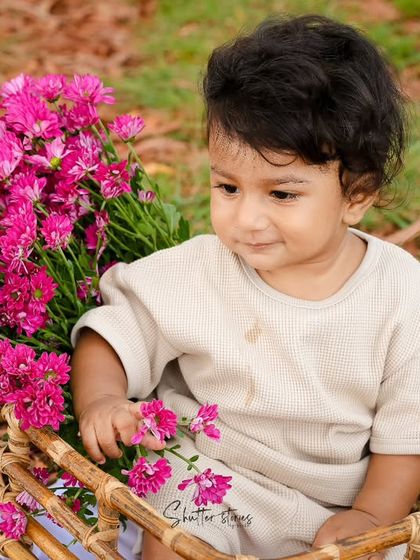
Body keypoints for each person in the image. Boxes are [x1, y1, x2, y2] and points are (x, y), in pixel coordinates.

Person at [70, 14, 420, 560]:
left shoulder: (401, 296)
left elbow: (407, 437)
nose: (246, 219)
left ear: (357, 194)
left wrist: (373, 514)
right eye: (228, 187)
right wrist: (103, 398)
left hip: (333, 508)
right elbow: (114, 332)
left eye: (281, 195)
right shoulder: (200, 270)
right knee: (177, 539)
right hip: (207, 479)